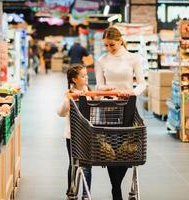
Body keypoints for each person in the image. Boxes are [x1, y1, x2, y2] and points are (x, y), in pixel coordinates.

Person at [95, 26, 146, 200]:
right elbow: (98, 85)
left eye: (112, 45)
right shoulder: (102, 60)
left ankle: (115, 187)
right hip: (108, 107)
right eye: (106, 46)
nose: (109, 49)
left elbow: (142, 83)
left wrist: (133, 93)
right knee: (111, 150)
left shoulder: (133, 59)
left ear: (120, 40)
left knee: (127, 149)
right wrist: (105, 88)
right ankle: (116, 191)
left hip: (128, 106)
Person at [57, 64, 92, 200]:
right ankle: (71, 191)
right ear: (74, 80)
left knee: (87, 164)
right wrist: (69, 100)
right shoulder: (69, 94)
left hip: (88, 135)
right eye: (83, 76)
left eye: (86, 75)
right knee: (73, 163)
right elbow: (60, 112)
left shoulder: (89, 92)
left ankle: (86, 194)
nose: (86, 77)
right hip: (72, 135)